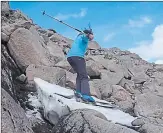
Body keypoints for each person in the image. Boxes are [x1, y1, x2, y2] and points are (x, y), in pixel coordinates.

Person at [67, 29, 95, 102]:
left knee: (79, 75)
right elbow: (85, 38)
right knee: (84, 76)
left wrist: (87, 35)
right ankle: (85, 95)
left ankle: (78, 92)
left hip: (70, 57)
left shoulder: (78, 38)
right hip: (78, 57)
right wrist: (89, 36)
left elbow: (83, 36)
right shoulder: (83, 37)